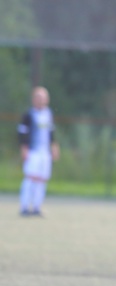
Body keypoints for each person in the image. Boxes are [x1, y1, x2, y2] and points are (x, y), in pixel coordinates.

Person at [18, 86, 60, 217]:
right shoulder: (28, 115)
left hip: (44, 152)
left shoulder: (48, 114)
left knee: (42, 179)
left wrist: (54, 147)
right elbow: (22, 133)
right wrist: (24, 148)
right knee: (30, 177)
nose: (41, 100)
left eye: (43, 98)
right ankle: (24, 207)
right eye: (38, 97)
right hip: (33, 151)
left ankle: (37, 207)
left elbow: (51, 133)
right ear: (33, 99)